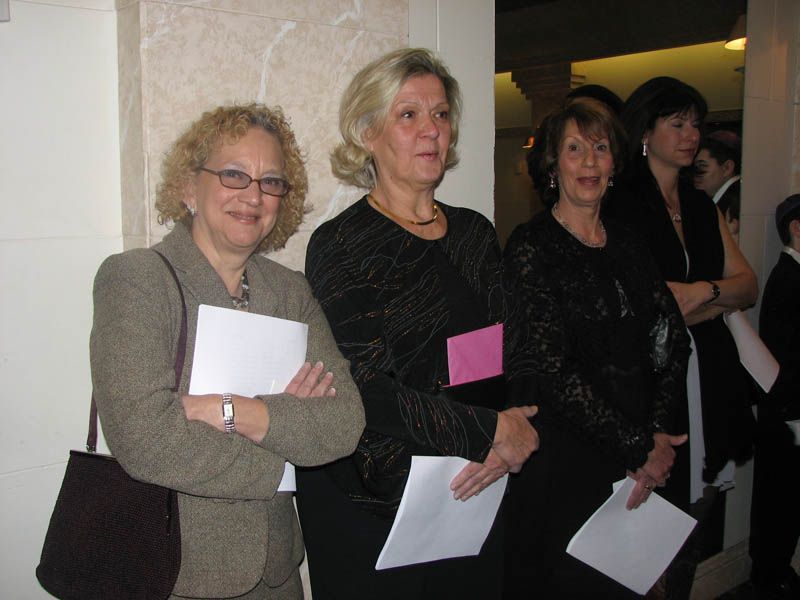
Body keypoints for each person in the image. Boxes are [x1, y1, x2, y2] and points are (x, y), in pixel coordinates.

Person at [90, 104, 365, 599]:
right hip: (176, 572)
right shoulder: (138, 279)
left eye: (270, 181)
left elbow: (344, 422)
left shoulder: (290, 292)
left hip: (279, 575)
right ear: (188, 187)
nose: (253, 196)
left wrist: (233, 411)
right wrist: (281, 458)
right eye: (234, 175)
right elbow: (144, 437)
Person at [296, 48, 539, 599]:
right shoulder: (340, 244)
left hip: (480, 483)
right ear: (367, 132)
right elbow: (365, 387)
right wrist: (488, 434)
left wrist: (513, 432)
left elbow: (517, 347)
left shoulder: (475, 232)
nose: (431, 130)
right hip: (382, 502)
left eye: (441, 114)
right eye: (408, 114)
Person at [503, 97, 690, 598]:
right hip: (567, 458)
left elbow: (671, 339)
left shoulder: (630, 241)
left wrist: (657, 433)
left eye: (600, 148)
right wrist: (638, 446)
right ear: (552, 164)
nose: (589, 161)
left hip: (642, 446)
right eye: (574, 148)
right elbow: (551, 369)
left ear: (614, 164)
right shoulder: (531, 246)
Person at [607, 76, 758, 598]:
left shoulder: (699, 204)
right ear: (645, 132)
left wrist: (703, 292)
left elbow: (747, 286)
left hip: (711, 370)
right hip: (653, 378)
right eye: (678, 123)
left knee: (698, 513)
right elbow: (638, 311)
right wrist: (710, 302)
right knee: (650, 517)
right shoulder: (621, 205)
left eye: (696, 124)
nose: (691, 135)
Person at [749, 195, 800, 600]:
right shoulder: (788, 279)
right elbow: (787, 352)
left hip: (787, 407)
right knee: (780, 496)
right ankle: (771, 574)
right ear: (796, 229)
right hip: (787, 410)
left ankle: (776, 570)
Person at [693, 132, 742, 236]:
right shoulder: (738, 196)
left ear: (727, 168)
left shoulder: (732, 205)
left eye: (702, 166)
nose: (695, 174)